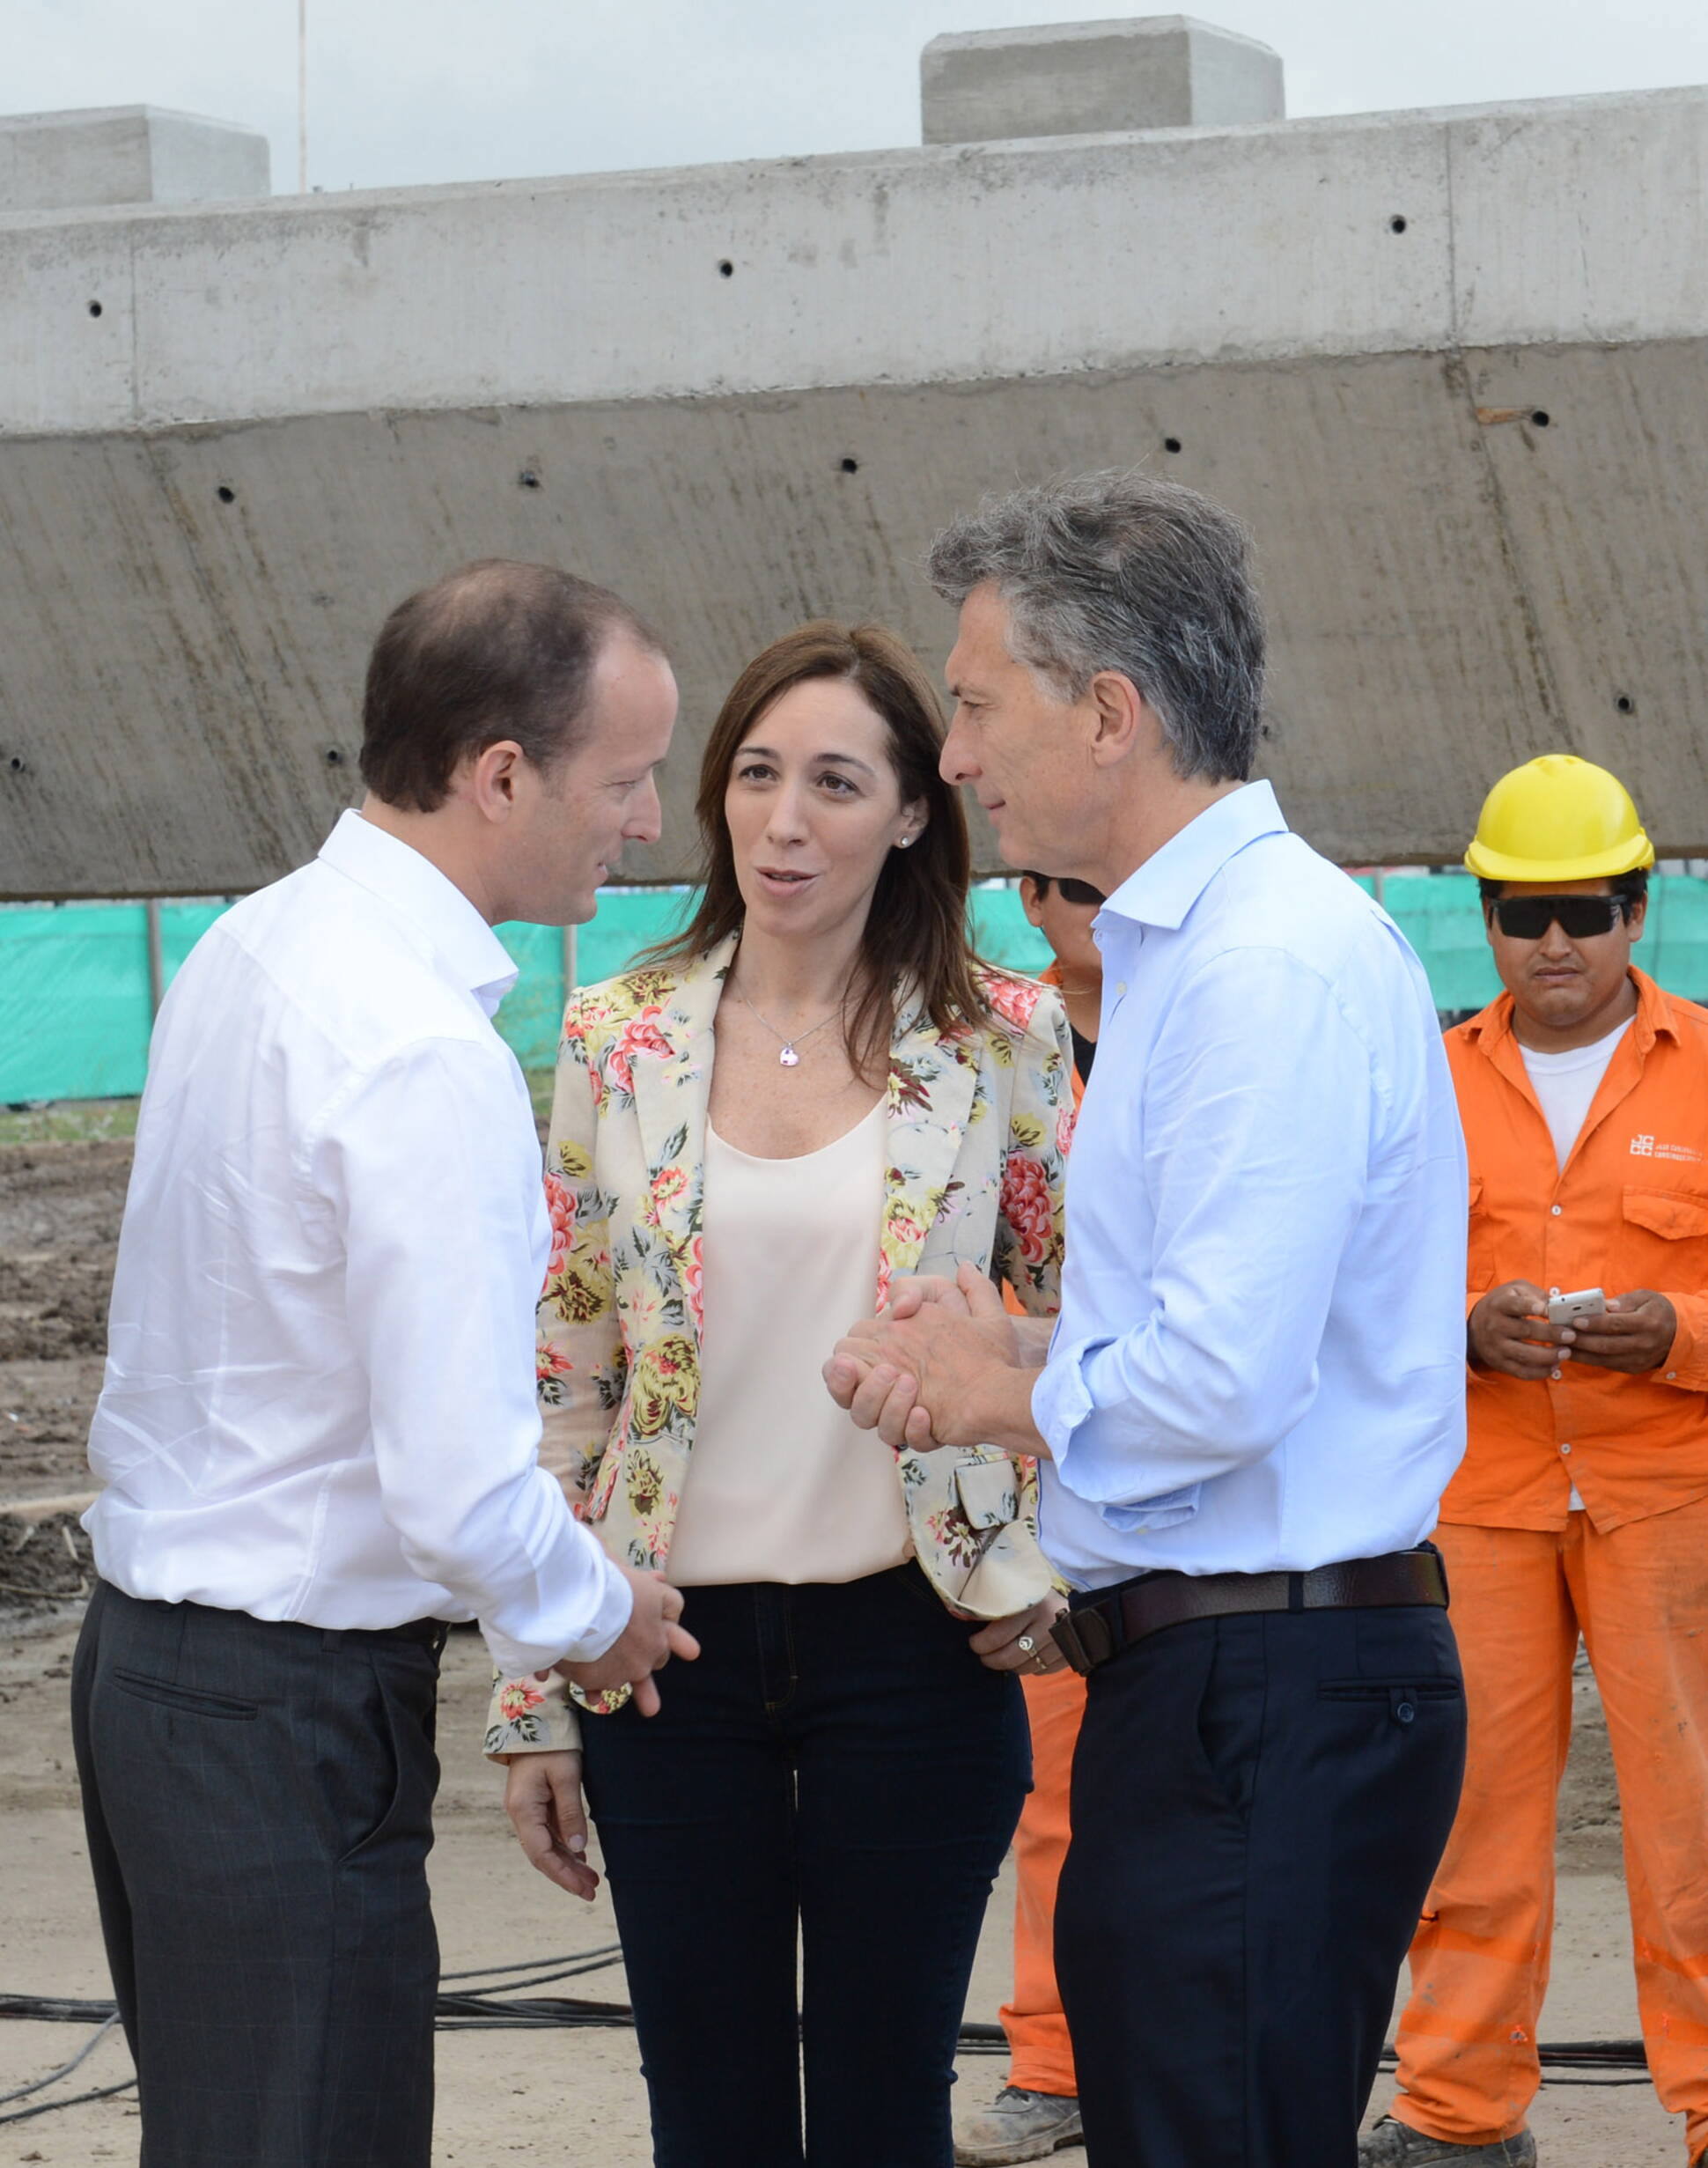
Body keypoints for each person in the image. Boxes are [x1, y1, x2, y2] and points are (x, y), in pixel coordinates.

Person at [826, 472, 1471, 2168]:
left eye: (976, 705)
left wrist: (1000, 1395)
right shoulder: (1208, 956)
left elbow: (1227, 1379)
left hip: (1266, 1682)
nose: (951, 755)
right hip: (1238, 1675)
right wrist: (1028, 1351)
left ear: (1108, 715)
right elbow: (1233, 1332)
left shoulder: (1263, 968)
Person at [71, 561, 694, 2168]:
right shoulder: (423, 1050)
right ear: (502, 775)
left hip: (157, 1670)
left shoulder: (255, 948)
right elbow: (459, 1490)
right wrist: (601, 1612)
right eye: (624, 781)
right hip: (285, 1710)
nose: (644, 822)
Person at [485, 620, 1078, 2168]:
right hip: (664, 1646)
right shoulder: (617, 1037)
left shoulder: (1005, 1041)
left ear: (908, 813)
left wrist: (1067, 1555)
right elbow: (564, 1377)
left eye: (833, 779)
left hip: (916, 1640)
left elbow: (1096, 1332)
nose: (785, 818)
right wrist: (532, 1690)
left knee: (888, 2117)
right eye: (756, 774)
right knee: (714, 2119)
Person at [1365, 756, 1708, 2168]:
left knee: (1693, 1824)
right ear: (1487, 918)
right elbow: (1350, 1289)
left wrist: (1677, 1328)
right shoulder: (1419, 1084)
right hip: (1485, 1502)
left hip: (1665, 1498)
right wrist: (1458, 1329)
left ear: (1637, 912)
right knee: (1470, 1820)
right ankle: (1457, 2110)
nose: (1554, 940)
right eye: (1524, 912)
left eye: (1584, 908)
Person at [956, 870, 1101, 2168]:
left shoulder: (1215, 1032)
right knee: (1054, 1791)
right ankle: (1051, 2062)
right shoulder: (997, 1045)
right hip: (1040, 1482)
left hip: (1193, 1495)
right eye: (1053, 888)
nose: (1082, 908)